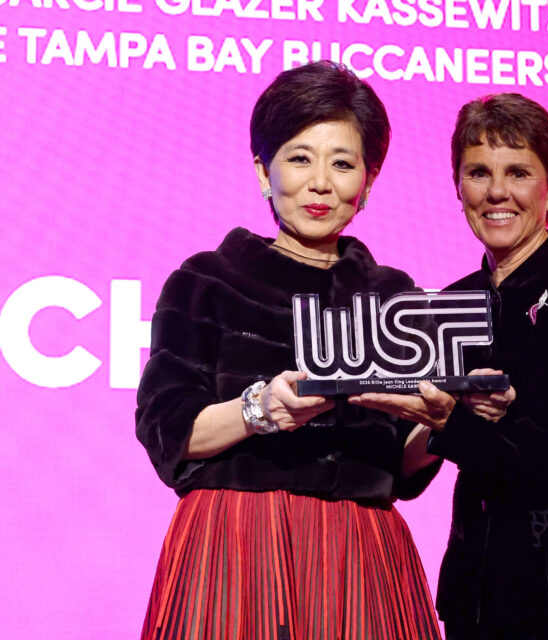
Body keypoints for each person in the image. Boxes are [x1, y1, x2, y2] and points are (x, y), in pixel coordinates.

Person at [349, 93, 548, 639]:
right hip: (483, 592)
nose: (497, 192)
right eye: (478, 172)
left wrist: (456, 424)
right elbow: (409, 473)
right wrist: (418, 421)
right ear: (458, 186)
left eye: (518, 172)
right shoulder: (449, 306)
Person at [135, 61, 445, 640]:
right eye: (300, 158)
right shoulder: (208, 281)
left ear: (369, 181)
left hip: (360, 554)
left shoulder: (394, 298)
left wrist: (442, 426)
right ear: (263, 171)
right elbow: (168, 432)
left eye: (343, 163)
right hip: (236, 543)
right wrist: (261, 409)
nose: (320, 183)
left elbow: (402, 466)